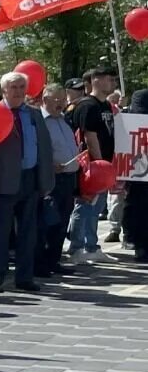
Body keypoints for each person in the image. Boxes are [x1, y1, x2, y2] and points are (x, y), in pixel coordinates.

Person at [0, 72, 54, 293]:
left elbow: (44, 147)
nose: (19, 91)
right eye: (14, 87)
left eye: (22, 87)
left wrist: (45, 180)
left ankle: (24, 277)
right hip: (2, 181)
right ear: (4, 90)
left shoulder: (33, 114)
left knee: (29, 231)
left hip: (29, 178)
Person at [67, 67, 118, 264]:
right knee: (84, 205)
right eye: (109, 79)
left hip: (102, 163)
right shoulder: (88, 106)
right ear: (96, 81)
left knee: (95, 208)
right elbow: (90, 136)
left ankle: (91, 246)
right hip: (91, 165)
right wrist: (99, 164)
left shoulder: (104, 105)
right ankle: (76, 248)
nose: (113, 83)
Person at [38, 84, 80, 278]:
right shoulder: (39, 121)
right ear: (45, 100)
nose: (62, 104)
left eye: (64, 100)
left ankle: (54, 259)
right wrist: (48, 165)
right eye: (57, 100)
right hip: (51, 178)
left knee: (62, 220)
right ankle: (42, 262)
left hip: (68, 177)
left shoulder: (63, 121)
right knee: (49, 221)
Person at [122, 90, 148, 263]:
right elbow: (139, 120)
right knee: (140, 203)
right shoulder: (142, 96)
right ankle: (140, 244)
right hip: (142, 161)